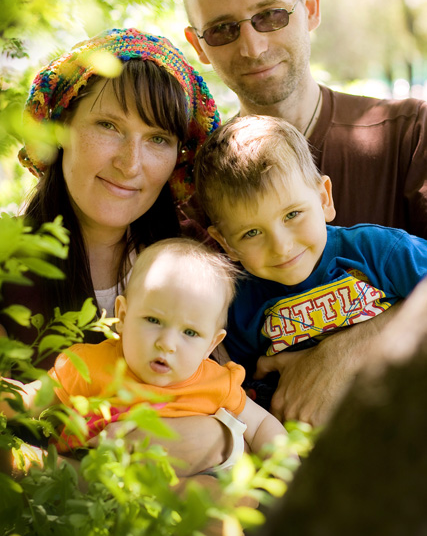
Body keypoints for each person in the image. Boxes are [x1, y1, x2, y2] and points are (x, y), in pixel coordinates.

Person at [1, 27, 237, 475]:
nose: (130, 164)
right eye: (109, 126)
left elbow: (245, 396)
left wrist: (225, 441)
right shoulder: (6, 261)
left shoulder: (201, 258)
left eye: (158, 139)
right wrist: (74, 478)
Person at [182, 0, 427, 240]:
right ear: (198, 45)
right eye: (221, 29)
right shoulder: (201, 186)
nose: (253, 48)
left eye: (270, 15)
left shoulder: (410, 136)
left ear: (310, 8)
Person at [194, 115, 427, 422]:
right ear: (226, 243)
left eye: (292, 214)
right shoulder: (239, 306)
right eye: (252, 233)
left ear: (323, 198)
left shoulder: (379, 252)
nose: (281, 246)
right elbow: (242, 393)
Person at [1, 238, 285, 471]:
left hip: (174, 494)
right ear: (122, 316)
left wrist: (283, 470)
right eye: (153, 320)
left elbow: (261, 424)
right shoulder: (88, 364)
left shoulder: (216, 383)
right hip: (85, 489)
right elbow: (28, 400)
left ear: (211, 345)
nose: (167, 344)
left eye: (190, 332)